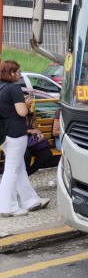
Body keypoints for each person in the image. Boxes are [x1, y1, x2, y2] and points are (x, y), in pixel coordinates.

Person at [0, 61, 50, 217]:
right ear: (12, 73)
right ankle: (8, 207)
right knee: (12, 170)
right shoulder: (14, 88)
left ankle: (30, 200)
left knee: (19, 168)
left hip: (4, 133)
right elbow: (21, 112)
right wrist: (26, 104)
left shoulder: (0, 88)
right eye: (18, 71)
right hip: (16, 133)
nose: (20, 74)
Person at [24, 111, 58, 177]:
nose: (31, 101)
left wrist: (39, 133)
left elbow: (35, 127)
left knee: (47, 154)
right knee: (26, 156)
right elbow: (12, 131)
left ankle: (27, 173)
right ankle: (23, 175)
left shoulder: (30, 114)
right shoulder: (13, 114)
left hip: (32, 141)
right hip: (19, 141)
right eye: (29, 99)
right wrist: (30, 131)